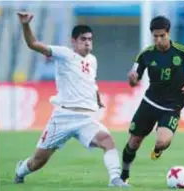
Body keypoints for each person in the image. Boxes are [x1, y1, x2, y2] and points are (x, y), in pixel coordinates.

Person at [15, 12, 128, 187]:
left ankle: (115, 179)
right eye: (83, 39)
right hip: (63, 117)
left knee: (107, 140)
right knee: (39, 161)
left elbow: (92, 82)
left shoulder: (92, 60)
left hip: (85, 119)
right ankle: (21, 170)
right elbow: (33, 44)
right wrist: (25, 24)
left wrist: (97, 99)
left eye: (90, 39)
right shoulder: (64, 54)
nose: (88, 43)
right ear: (73, 41)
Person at [120, 16, 184, 183]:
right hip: (150, 102)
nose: (158, 40)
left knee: (162, 141)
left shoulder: (182, 51)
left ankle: (158, 150)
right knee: (134, 142)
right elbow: (134, 81)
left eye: (162, 36)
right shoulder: (145, 55)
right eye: (155, 36)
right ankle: (124, 175)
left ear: (169, 33)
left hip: (173, 105)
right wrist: (132, 79)